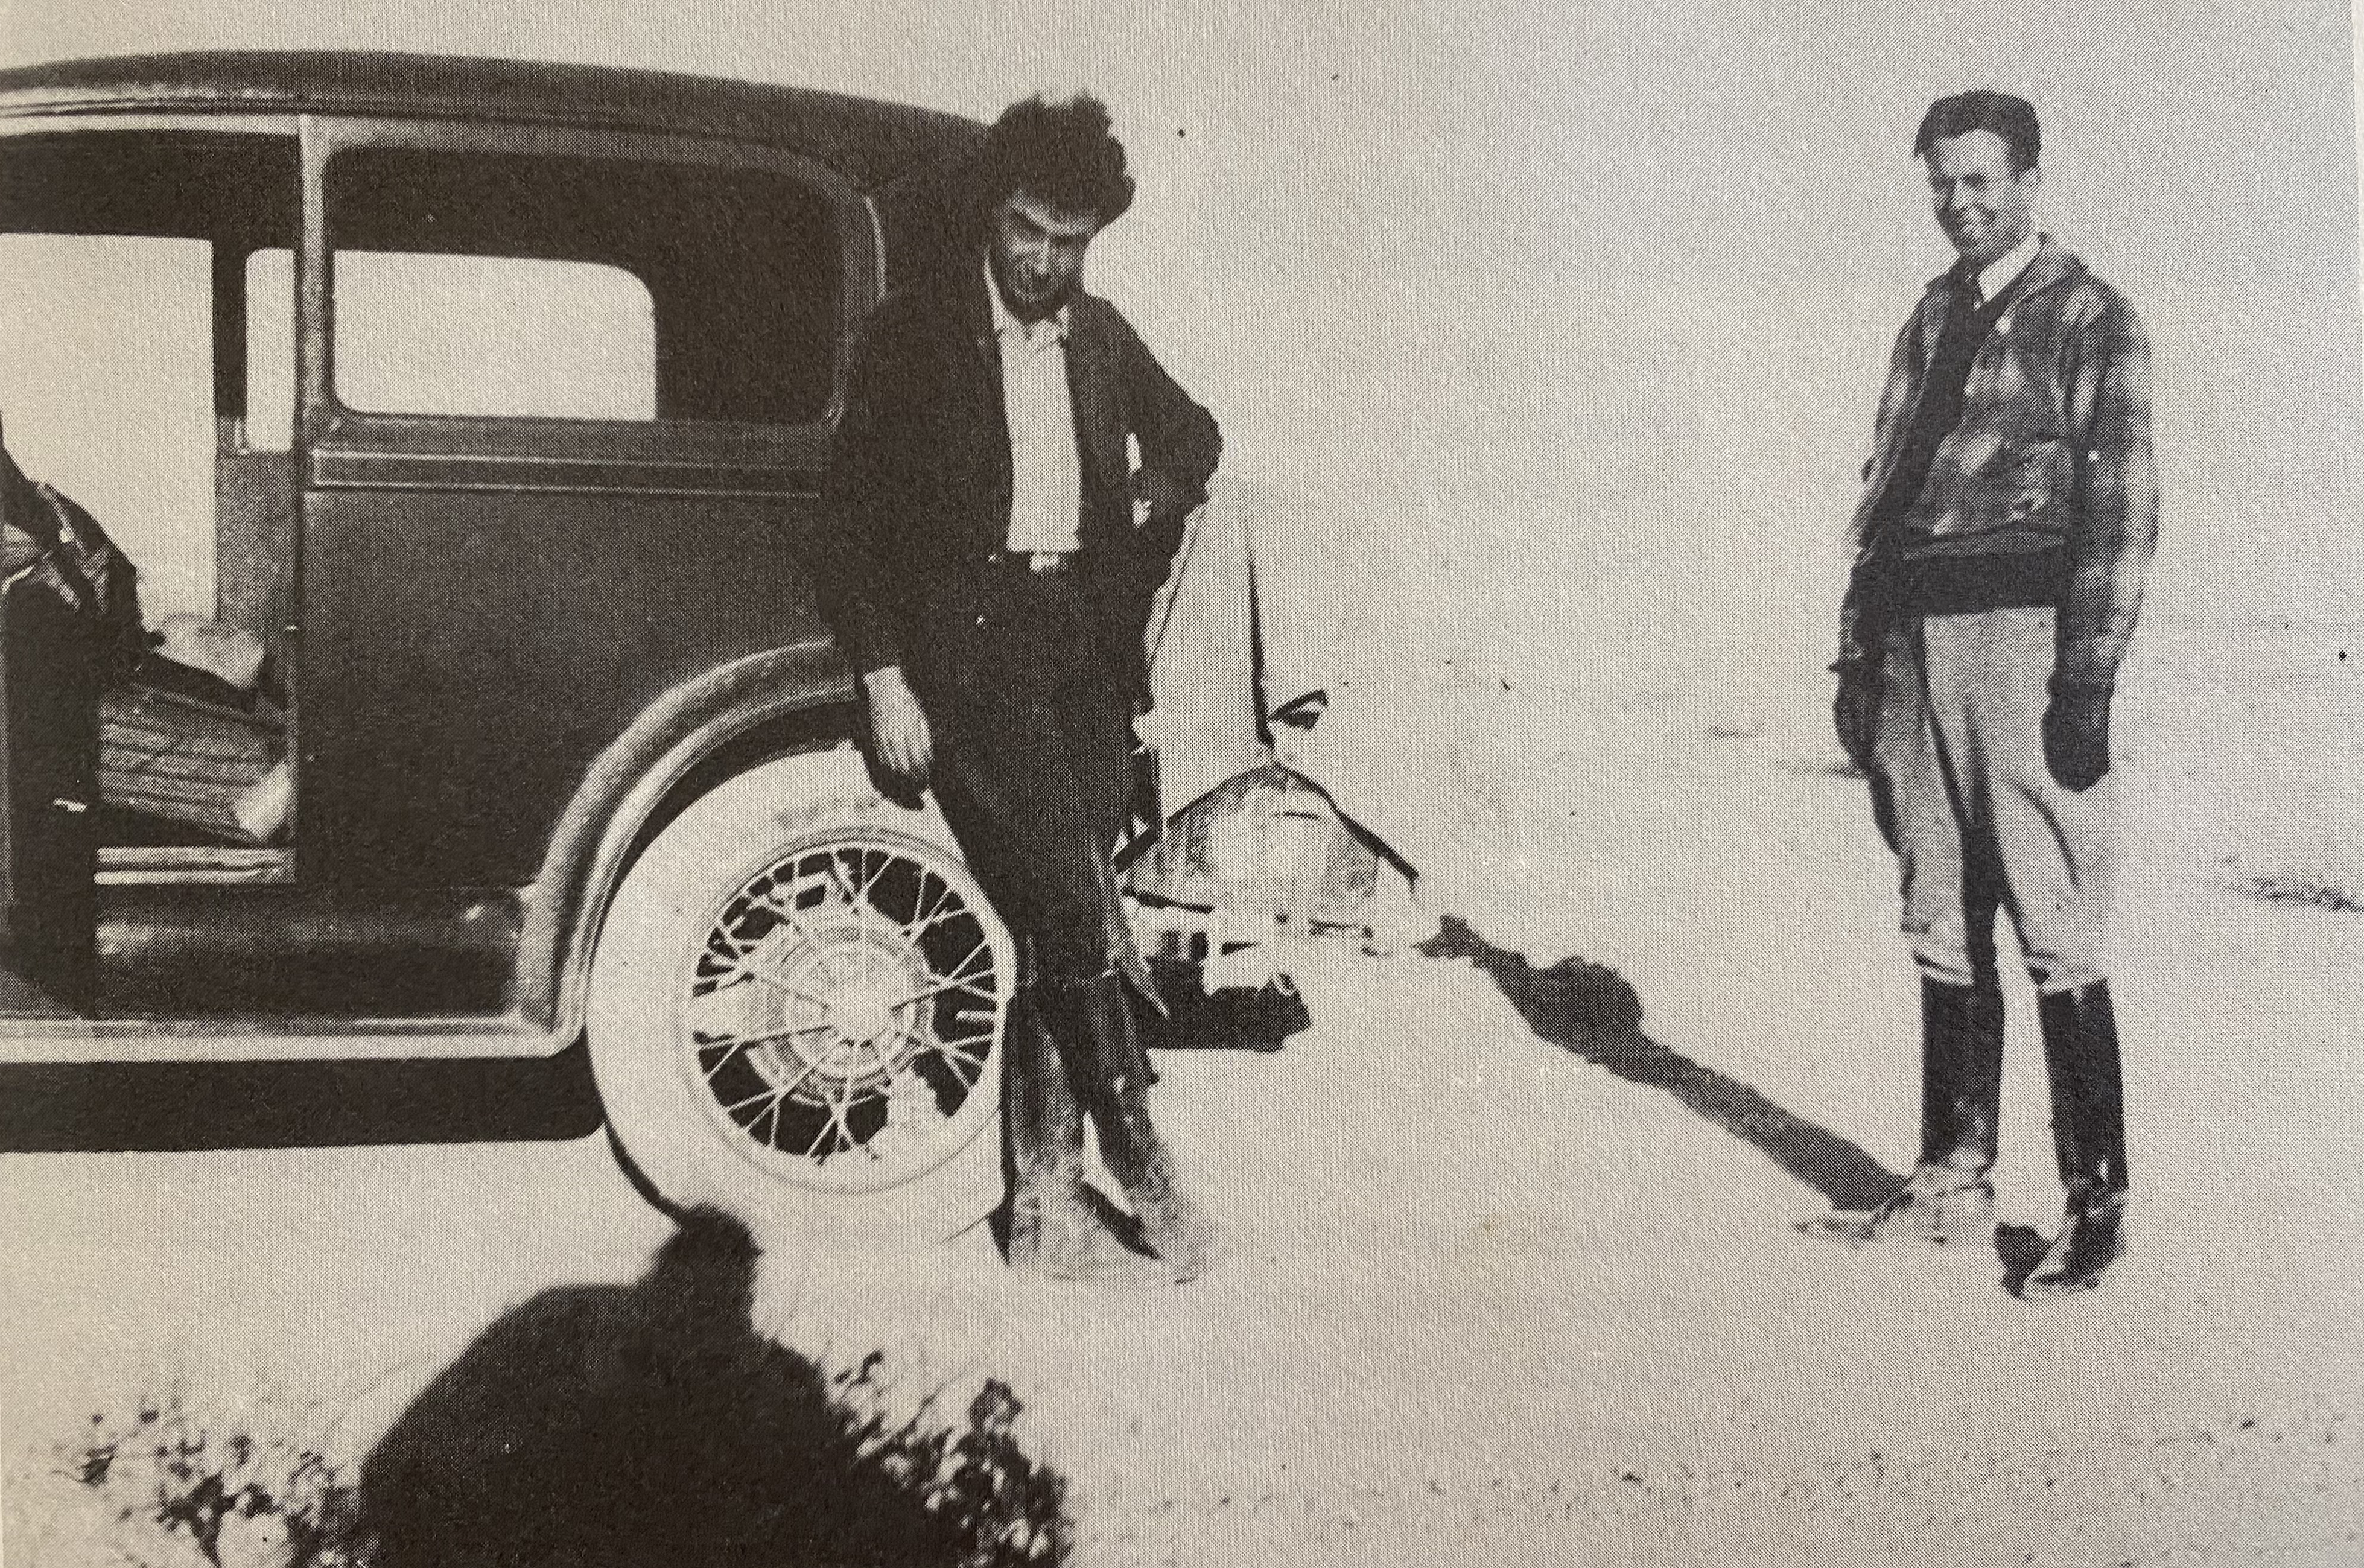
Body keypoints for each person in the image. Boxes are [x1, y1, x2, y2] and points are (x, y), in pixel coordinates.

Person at [817, 94, 1225, 1287]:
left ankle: (1046, 1219)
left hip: (1082, 648)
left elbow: (1196, 430)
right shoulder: (916, 333)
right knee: (1074, 904)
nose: (1045, 260)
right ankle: (1147, 1173)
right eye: (1029, 231)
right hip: (970, 649)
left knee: (1058, 925)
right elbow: (845, 524)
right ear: (994, 214)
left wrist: (1154, 497)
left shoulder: (1100, 336)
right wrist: (886, 672)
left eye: (1072, 239)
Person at [1805, 91, 2157, 1300]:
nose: (1962, 204)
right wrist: (1861, 652)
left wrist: (2087, 682)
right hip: (1915, 640)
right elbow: (1887, 490)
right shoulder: (1930, 316)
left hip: (2021, 644)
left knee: (2052, 922)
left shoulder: (2087, 317)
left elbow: (2119, 513)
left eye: (1982, 182)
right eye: (1943, 185)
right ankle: (1952, 1178)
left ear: (2030, 179)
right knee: (1937, 910)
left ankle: (2095, 1205)